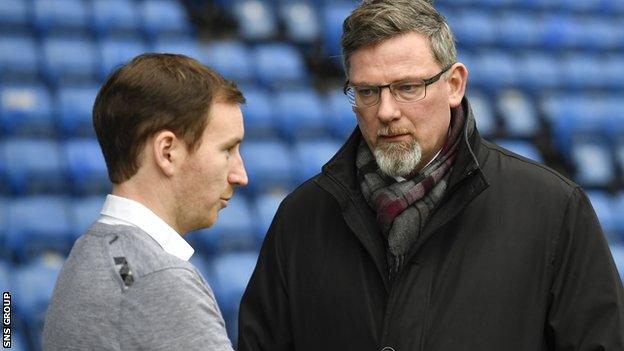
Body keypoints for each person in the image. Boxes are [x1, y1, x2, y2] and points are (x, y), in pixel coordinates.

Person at [238, 1, 624, 350]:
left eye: (408, 87)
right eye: (368, 92)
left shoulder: (553, 210)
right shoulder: (302, 217)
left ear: (454, 85)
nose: (386, 111)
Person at [43, 53, 247, 350]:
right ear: (167, 152)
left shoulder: (85, 252)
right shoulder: (159, 280)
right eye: (227, 150)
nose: (240, 175)